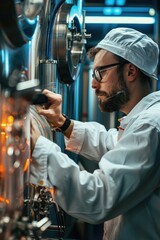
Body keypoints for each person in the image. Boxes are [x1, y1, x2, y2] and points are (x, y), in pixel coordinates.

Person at [30, 27, 160, 239]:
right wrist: (62, 123)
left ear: (130, 71)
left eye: (101, 73)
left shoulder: (151, 125)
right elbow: (111, 143)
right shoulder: (144, 121)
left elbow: (98, 199)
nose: (92, 84)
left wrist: (38, 148)